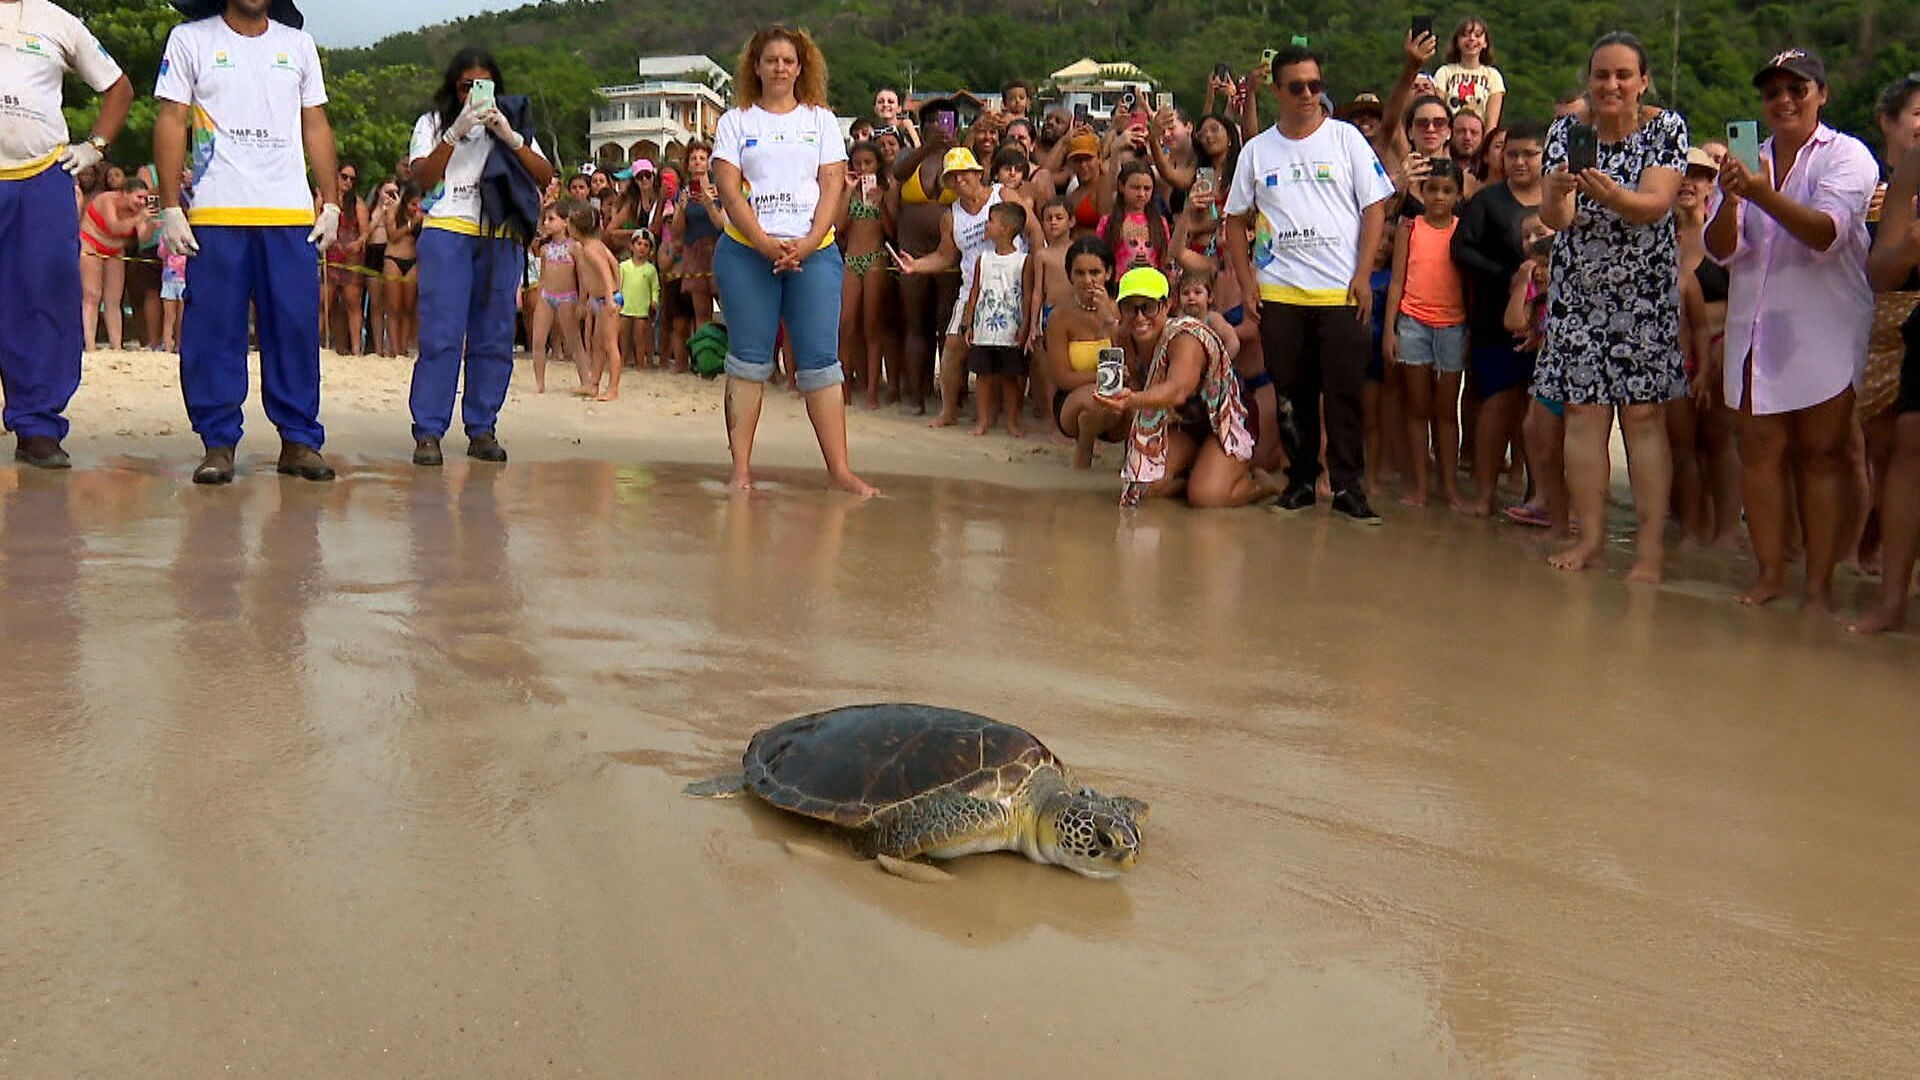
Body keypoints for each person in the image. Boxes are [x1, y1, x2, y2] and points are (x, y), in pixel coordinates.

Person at [1706, 49, 1877, 613]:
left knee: (1822, 455)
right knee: (1759, 451)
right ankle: (1771, 574)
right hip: (1755, 328)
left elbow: (1826, 233)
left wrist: (1760, 193)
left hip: (1823, 325)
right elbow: (1721, 249)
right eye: (1772, 91)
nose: (1783, 100)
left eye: (1796, 89)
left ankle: (1820, 586)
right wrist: (1733, 199)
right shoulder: (1745, 161)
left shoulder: (1848, 156)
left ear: (1820, 94)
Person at [154, 0, 343, 485]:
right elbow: (173, 119)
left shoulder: (297, 44)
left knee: (295, 330)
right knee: (214, 333)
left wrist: (332, 203)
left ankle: (299, 440)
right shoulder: (190, 39)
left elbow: (316, 123)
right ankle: (218, 442)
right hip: (218, 211)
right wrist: (170, 204)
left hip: (288, 214)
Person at [1536, 32, 1688, 580]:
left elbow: (1654, 204)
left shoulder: (1666, 128)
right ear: (1590, 79)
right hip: (1579, 289)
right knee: (1582, 414)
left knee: (1644, 418)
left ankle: (1648, 550)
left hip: (1643, 293)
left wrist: (1608, 195)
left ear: (1643, 80)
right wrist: (1556, 190)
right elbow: (1557, 221)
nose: (1611, 85)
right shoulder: (1567, 131)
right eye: (1602, 75)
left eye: (1624, 75)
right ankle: (1592, 540)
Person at [1225, 44, 1393, 524]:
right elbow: (1235, 220)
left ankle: (1347, 487)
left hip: (1340, 293)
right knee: (1291, 394)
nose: (1307, 95)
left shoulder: (1345, 140)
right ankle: (1299, 480)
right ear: (1277, 90)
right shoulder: (1257, 151)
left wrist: (1363, 275)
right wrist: (1247, 282)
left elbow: (1375, 208)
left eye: (1315, 86)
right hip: (1280, 291)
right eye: (1296, 87)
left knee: (1344, 395)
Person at [710, 25, 875, 496]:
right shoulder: (735, 122)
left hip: (814, 253)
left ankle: (840, 470)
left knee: (822, 363)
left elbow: (831, 186)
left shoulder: (821, 120)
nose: (780, 68)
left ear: (801, 67)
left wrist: (808, 242)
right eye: (771, 60)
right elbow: (729, 189)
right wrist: (764, 243)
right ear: (755, 66)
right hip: (746, 251)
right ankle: (740, 468)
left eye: (788, 60)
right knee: (748, 361)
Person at [405, 46, 555, 466]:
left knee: (494, 336)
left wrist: (510, 136)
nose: (473, 92)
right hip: (448, 229)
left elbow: (544, 174)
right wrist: (455, 133)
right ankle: (429, 431)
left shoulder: (513, 121)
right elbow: (422, 176)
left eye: (482, 85)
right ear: (453, 87)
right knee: (441, 335)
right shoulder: (433, 122)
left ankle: (482, 426)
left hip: (499, 232)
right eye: (466, 85)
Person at [0, 0, 133, 468]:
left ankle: (37, 426)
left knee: (46, 301)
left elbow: (118, 87)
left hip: (41, 177)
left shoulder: (57, 20)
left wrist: (95, 147)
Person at [1096, 267, 1271, 508]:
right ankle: (1198, 469)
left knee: (1205, 497)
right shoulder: (1123, 335)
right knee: (1143, 487)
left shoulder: (1185, 337)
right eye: (1130, 308)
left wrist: (1130, 399)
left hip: (1225, 419)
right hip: (1182, 423)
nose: (1139, 317)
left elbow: (1178, 390)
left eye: (1148, 306)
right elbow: (1138, 389)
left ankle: (1261, 485)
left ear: (1167, 305)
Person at [1451, 118, 1547, 517]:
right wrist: (1506, 276)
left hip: (1552, 325)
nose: (1520, 161)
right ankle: (1485, 495)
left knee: (1542, 414)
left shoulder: (1559, 201)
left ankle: (1540, 497)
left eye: (1529, 154)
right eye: (1512, 154)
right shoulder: (1487, 202)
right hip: (1496, 320)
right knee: (1497, 405)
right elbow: (1461, 250)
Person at [1850, 140, 1920, 632]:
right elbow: (1880, 272)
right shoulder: (1916, 164)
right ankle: (1892, 600)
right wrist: (1912, 246)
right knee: (1909, 445)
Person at [895, 147, 1009, 430]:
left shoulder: (1002, 196)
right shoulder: (951, 216)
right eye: (952, 177)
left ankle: (1013, 417)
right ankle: (948, 411)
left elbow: (1032, 228)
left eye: (963, 174)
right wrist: (915, 266)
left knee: (1009, 354)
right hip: (972, 288)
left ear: (977, 173)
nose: (959, 181)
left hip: (1009, 285)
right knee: (952, 348)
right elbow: (945, 256)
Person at [1383, 159, 1468, 509]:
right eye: (1432, 189)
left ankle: (1449, 489)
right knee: (1417, 409)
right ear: (1421, 190)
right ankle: (1418, 486)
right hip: (1413, 323)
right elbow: (1397, 281)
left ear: (1459, 195)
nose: (1438, 197)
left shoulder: (1464, 230)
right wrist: (1389, 329)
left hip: (1453, 325)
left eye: (1447, 190)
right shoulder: (1409, 228)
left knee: (1447, 413)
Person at [1048, 236, 1125, 466]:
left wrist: (1108, 321)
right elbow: (1062, 378)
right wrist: (1104, 377)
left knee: (1133, 405)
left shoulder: (1123, 309)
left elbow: (1130, 358)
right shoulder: (1059, 317)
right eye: (1080, 273)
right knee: (1097, 400)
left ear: (1108, 273)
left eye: (1095, 273)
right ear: (1070, 275)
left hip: (1119, 395)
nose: (1088, 280)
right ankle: (1082, 460)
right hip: (1073, 398)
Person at [961, 201, 1034, 437]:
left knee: (1010, 378)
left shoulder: (1023, 260)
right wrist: (968, 321)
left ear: (1007, 228)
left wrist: (1025, 326)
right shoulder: (983, 258)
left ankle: (1012, 421)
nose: (986, 225)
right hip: (984, 328)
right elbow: (975, 290)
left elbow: (1027, 294)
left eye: (991, 221)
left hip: (1010, 329)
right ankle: (983, 420)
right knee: (983, 376)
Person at [838, 140, 893, 409]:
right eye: (857, 163)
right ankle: (845, 386)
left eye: (867, 163)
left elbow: (891, 232)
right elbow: (837, 228)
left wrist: (881, 204)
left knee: (872, 325)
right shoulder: (847, 191)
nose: (862, 168)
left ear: (878, 165)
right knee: (845, 324)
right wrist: (848, 193)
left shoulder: (885, 190)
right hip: (851, 258)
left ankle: (872, 390)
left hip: (875, 258)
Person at [79, 177, 148, 351]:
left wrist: (151, 225)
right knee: (92, 295)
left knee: (113, 299)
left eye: (144, 199)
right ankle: (90, 345)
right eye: (139, 197)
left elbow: (143, 238)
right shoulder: (107, 199)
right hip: (91, 241)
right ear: (124, 193)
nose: (142, 202)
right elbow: (114, 226)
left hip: (115, 250)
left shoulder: (140, 211)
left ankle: (116, 345)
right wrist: (139, 218)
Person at [529, 203, 584, 393]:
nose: (546, 223)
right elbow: (543, 276)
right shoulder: (545, 249)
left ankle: (586, 381)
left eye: (551, 219)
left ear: (565, 222)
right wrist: (539, 299)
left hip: (567, 297)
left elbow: (582, 277)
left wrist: (582, 301)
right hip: (546, 295)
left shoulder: (574, 247)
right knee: (538, 339)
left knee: (574, 341)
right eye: (545, 219)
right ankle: (539, 382)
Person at [572, 204, 623, 402]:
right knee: (598, 344)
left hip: (606, 300)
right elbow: (614, 265)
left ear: (576, 228)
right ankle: (594, 383)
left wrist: (611, 298)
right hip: (603, 299)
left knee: (610, 345)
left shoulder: (590, 250)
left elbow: (604, 272)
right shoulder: (594, 245)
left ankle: (613, 388)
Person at [320, 163, 369, 355]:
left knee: (353, 304)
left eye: (352, 179)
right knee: (324, 303)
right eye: (344, 176)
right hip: (329, 256)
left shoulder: (357, 203)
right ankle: (319, 345)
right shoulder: (323, 200)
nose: (348, 181)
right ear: (336, 176)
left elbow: (365, 232)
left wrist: (358, 242)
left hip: (350, 258)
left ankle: (356, 349)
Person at [1434, 17, 1506, 126]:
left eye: (1477, 35)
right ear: (1457, 42)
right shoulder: (1444, 72)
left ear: (1485, 42)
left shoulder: (1493, 75)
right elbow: (1437, 111)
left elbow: (1491, 121)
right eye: (1465, 35)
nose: (1471, 39)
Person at [379, 185, 422, 363]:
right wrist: (411, 224)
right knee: (394, 308)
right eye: (413, 204)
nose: (416, 208)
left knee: (408, 308)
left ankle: (403, 348)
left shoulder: (423, 216)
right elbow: (393, 236)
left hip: (413, 261)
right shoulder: (394, 212)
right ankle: (394, 348)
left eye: (419, 205)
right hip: (393, 259)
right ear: (406, 202)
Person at [620, 230, 661, 370]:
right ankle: (622, 361)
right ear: (631, 246)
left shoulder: (651, 270)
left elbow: (655, 288)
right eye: (639, 244)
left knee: (640, 338)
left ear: (650, 250)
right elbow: (618, 286)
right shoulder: (624, 266)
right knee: (623, 337)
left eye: (646, 245)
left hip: (642, 310)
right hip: (625, 308)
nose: (642, 248)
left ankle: (640, 363)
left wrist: (654, 301)